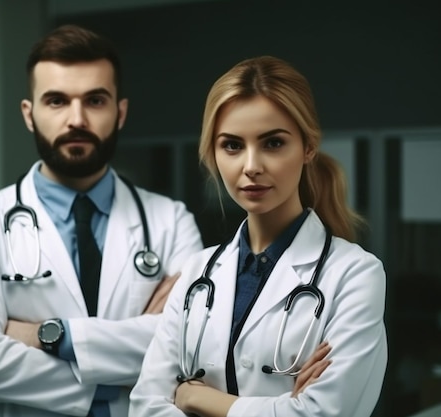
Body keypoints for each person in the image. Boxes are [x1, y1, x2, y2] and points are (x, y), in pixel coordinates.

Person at [0, 24, 204, 417]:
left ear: (121, 112)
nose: (76, 119)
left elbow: (191, 347)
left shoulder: (170, 220)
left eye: (95, 101)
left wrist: (50, 336)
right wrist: (119, 380)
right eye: (57, 101)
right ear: (29, 115)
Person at [129, 55, 387, 416]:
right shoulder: (196, 272)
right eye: (232, 145)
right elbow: (144, 406)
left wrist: (194, 397)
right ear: (213, 155)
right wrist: (282, 405)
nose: (251, 166)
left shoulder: (355, 275)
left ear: (308, 147)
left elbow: (321, 413)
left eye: (273, 143)